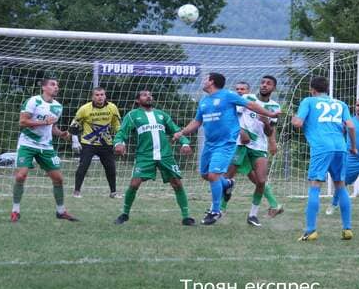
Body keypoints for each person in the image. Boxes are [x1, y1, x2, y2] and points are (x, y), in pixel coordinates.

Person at [173, 72, 280, 225]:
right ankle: (228, 184)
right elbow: (197, 122)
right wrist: (182, 133)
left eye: (205, 79)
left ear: (211, 82)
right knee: (205, 174)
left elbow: (250, 106)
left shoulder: (228, 95)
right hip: (210, 144)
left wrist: (269, 115)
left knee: (215, 176)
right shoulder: (204, 101)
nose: (202, 81)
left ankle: (216, 211)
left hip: (227, 143)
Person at [113, 90, 195, 226]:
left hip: (165, 155)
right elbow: (122, 133)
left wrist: (185, 143)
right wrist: (118, 143)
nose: (149, 96)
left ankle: (186, 217)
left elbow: (175, 130)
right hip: (145, 156)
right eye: (144, 95)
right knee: (134, 184)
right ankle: (124, 214)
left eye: (150, 94)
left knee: (177, 183)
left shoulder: (162, 115)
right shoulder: (132, 116)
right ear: (137, 101)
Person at [292, 76, 356, 241]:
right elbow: (350, 126)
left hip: (321, 147)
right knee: (340, 186)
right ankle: (347, 229)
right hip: (340, 147)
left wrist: (294, 119)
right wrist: (353, 146)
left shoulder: (309, 101)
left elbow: (298, 123)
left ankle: (311, 230)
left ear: (312, 89)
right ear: (327, 89)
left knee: (315, 186)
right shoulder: (340, 104)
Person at [11, 77, 78, 222]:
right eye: (53, 84)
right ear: (44, 87)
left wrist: (62, 134)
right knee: (20, 176)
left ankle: (61, 212)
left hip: (46, 146)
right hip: (27, 144)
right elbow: (22, 122)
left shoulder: (58, 106)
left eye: (57, 85)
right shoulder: (33, 101)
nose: (56, 87)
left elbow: (51, 127)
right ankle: (15, 211)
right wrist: (43, 121)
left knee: (58, 179)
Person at [221, 77, 284, 227]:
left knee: (261, 181)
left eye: (268, 84)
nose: (264, 85)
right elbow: (233, 118)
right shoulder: (248, 98)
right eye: (263, 82)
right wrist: (242, 132)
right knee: (227, 178)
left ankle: (253, 215)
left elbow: (269, 132)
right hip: (241, 144)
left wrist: (266, 122)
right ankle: (218, 209)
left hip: (259, 146)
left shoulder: (274, 106)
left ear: (273, 88)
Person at [69, 87, 122, 198]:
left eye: (102, 94)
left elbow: (117, 125)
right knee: (83, 166)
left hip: (106, 143)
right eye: (97, 95)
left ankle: (113, 192)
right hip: (88, 143)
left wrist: (120, 140)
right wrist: (74, 141)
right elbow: (74, 125)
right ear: (92, 97)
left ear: (105, 96)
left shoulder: (112, 108)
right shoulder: (84, 109)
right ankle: (76, 191)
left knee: (111, 168)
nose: (100, 97)